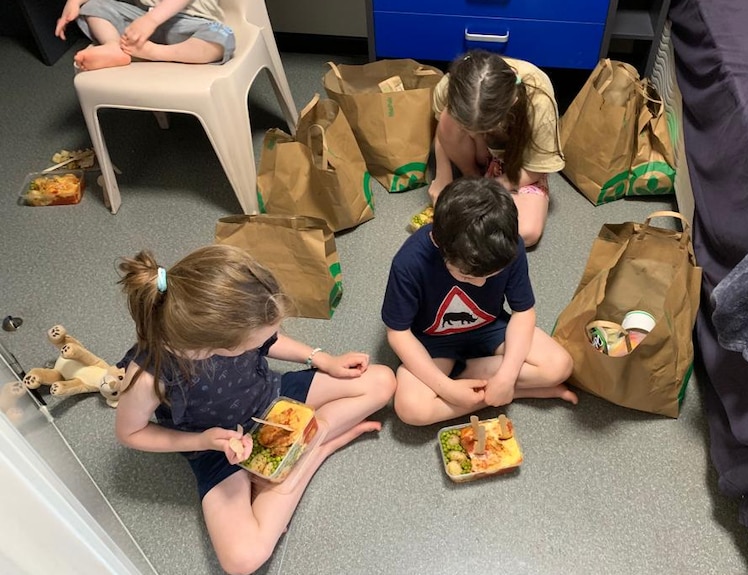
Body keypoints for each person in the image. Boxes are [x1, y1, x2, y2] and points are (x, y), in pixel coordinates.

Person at [114, 244, 395, 575]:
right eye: (253, 342)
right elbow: (130, 432)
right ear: (219, 346)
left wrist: (321, 359)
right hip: (218, 448)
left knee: (382, 381)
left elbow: (270, 339)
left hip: (271, 399)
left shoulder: (231, 326)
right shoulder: (150, 375)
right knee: (242, 560)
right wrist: (204, 442)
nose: (265, 342)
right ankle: (316, 449)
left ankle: (300, 449)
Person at [384, 177, 577, 426]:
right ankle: (516, 391)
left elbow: (523, 312)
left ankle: (484, 381)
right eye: (467, 276)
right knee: (412, 410)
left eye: (491, 276)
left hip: (489, 328)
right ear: (439, 244)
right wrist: (447, 388)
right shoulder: (409, 263)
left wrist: (507, 377)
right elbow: (398, 333)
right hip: (432, 343)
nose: (481, 284)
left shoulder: (508, 245)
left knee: (560, 366)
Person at [418, 49, 565, 248]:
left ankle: (482, 180)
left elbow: (537, 168)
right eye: (467, 127)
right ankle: (472, 175)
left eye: (484, 128)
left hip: (518, 161)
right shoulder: (450, 85)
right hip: (478, 152)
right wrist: (443, 178)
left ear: (511, 103)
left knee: (526, 233)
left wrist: (494, 187)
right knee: (447, 116)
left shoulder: (539, 101)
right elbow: (442, 130)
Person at [55, 0, 236, 71]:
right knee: (93, 7)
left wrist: (151, 20)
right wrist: (74, 3)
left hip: (189, 23)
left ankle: (155, 52)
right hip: (140, 24)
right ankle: (114, 46)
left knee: (222, 36)